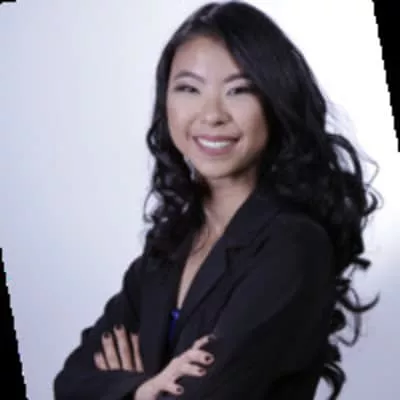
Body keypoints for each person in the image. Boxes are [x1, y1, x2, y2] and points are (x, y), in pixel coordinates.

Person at [53, 1, 382, 399]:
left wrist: (126, 388)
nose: (211, 115)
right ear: (165, 103)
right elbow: (70, 382)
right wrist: (141, 390)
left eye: (238, 90)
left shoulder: (293, 246)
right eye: (188, 88)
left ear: (275, 102)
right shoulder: (167, 249)